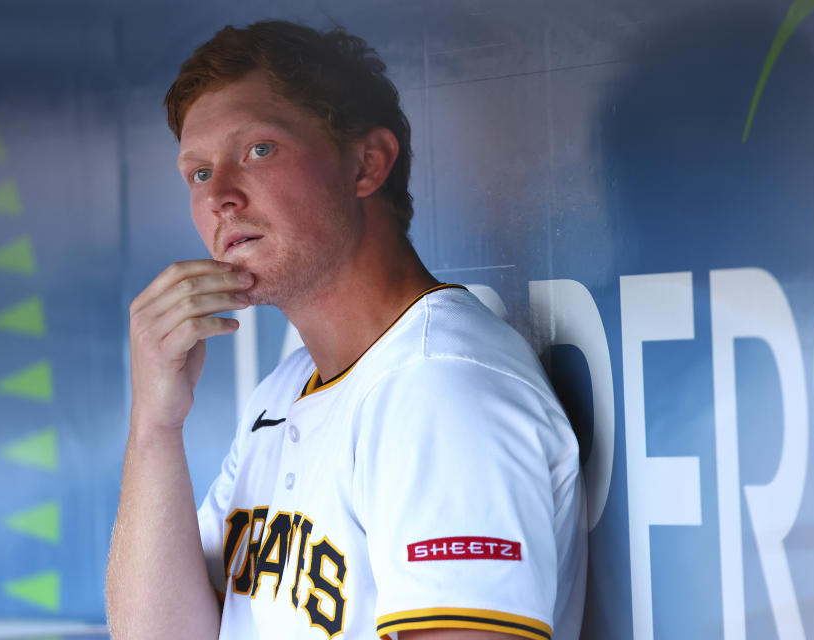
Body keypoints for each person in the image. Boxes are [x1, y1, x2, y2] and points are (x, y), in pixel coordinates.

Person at [105, 19, 586, 640]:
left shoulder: (440, 390)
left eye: (258, 149)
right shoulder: (285, 391)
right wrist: (154, 426)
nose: (220, 194)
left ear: (367, 163)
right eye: (198, 173)